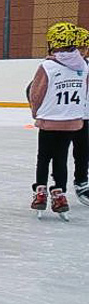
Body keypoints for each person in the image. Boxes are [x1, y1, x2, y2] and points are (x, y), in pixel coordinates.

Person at [28, 22, 87, 220]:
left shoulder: (47, 66)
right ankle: (59, 192)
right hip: (71, 121)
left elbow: (36, 92)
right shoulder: (83, 66)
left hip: (50, 120)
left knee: (43, 157)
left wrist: (36, 113)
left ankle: (41, 191)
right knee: (61, 158)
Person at [70, 26, 89, 205]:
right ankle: (56, 184)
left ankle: (82, 181)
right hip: (67, 117)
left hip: (85, 116)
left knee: (83, 151)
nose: (82, 52)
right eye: (78, 48)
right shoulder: (60, 66)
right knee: (56, 153)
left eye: (84, 48)